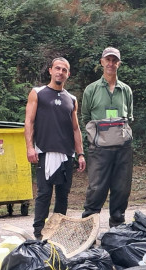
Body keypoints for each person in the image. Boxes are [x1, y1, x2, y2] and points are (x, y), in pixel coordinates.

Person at [24, 57, 86, 240]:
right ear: (50, 70)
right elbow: (29, 121)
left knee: (63, 195)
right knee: (44, 193)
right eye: (57, 68)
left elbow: (75, 128)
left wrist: (80, 154)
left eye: (64, 70)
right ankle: (39, 232)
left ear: (68, 74)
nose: (60, 72)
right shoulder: (38, 93)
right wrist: (30, 147)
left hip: (66, 153)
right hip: (44, 151)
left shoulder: (72, 99)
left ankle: (58, 231)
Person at [80, 46, 134, 227]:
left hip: (123, 149)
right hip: (99, 149)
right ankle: (87, 229)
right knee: (96, 189)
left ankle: (117, 230)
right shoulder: (91, 89)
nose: (111, 63)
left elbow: (130, 118)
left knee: (121, 189)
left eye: (114, 60)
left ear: (119, 63)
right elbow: (86, 117)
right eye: (108, 60)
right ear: (102, 62)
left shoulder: (126, 90)